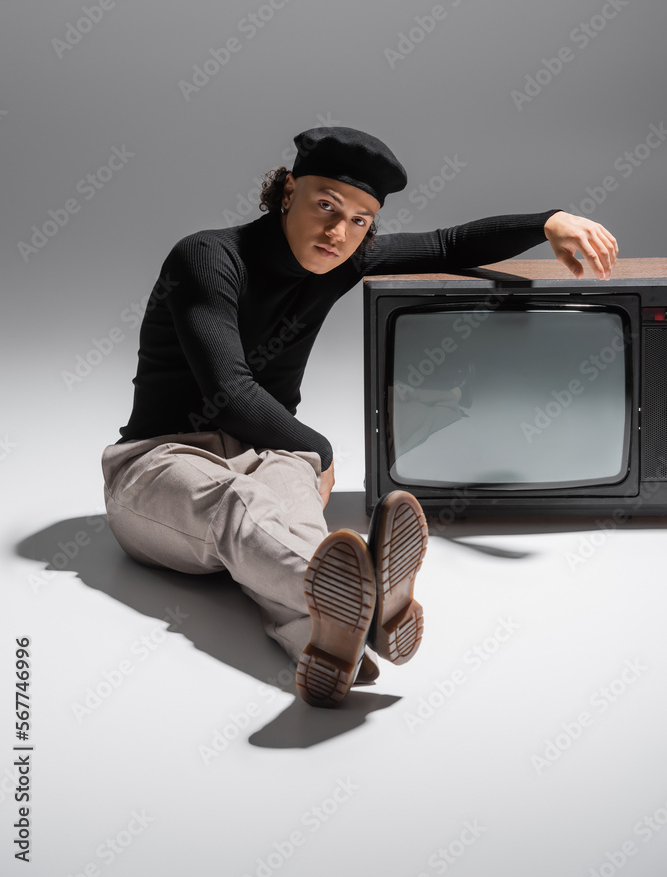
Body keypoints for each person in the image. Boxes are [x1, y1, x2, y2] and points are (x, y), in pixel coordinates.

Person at [100, 125, 619, 708]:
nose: (339, 232)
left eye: (360, 220)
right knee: (241, 507)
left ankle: (331, 647)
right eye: (327, 205)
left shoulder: (346, 256)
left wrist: (549, 220)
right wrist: (319, 450)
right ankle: (370, 607)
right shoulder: (207, 257)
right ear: (288, 191)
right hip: (157, 462)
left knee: (290, 528)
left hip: (271, 447)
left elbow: (450, 243)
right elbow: (228, 389)